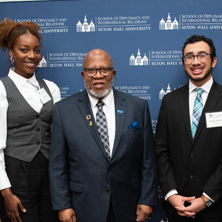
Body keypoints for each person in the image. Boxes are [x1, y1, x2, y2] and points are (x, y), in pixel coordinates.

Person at [49, 49, 158, 222]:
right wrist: (63, 205)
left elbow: (148, 160)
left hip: (128, 205)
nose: (97, 75)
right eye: (91, 70)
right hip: (83, 207)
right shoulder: (63, 110)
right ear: (83, 74)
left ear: (113, 73)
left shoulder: (137, 106)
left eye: (104, 69)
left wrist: (147, 199)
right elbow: (57, 165)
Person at [155, 35, 222, 222]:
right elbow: (161, 151)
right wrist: (171, 194)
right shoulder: (170, 101)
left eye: (202, 55)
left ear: (213, 61)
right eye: (189, 57)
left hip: (216, 208)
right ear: (184, 62)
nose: (195, 62)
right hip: (177, 209)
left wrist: (206, 199)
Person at [0, 18, 61, 222]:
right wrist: (5, 192)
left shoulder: (51, 88)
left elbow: (58, 137)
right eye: (24, 50)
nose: (32, 56)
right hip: (16, 173)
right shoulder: (1, 89)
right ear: (11, 52)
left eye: (36, 50)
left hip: (48, 175)